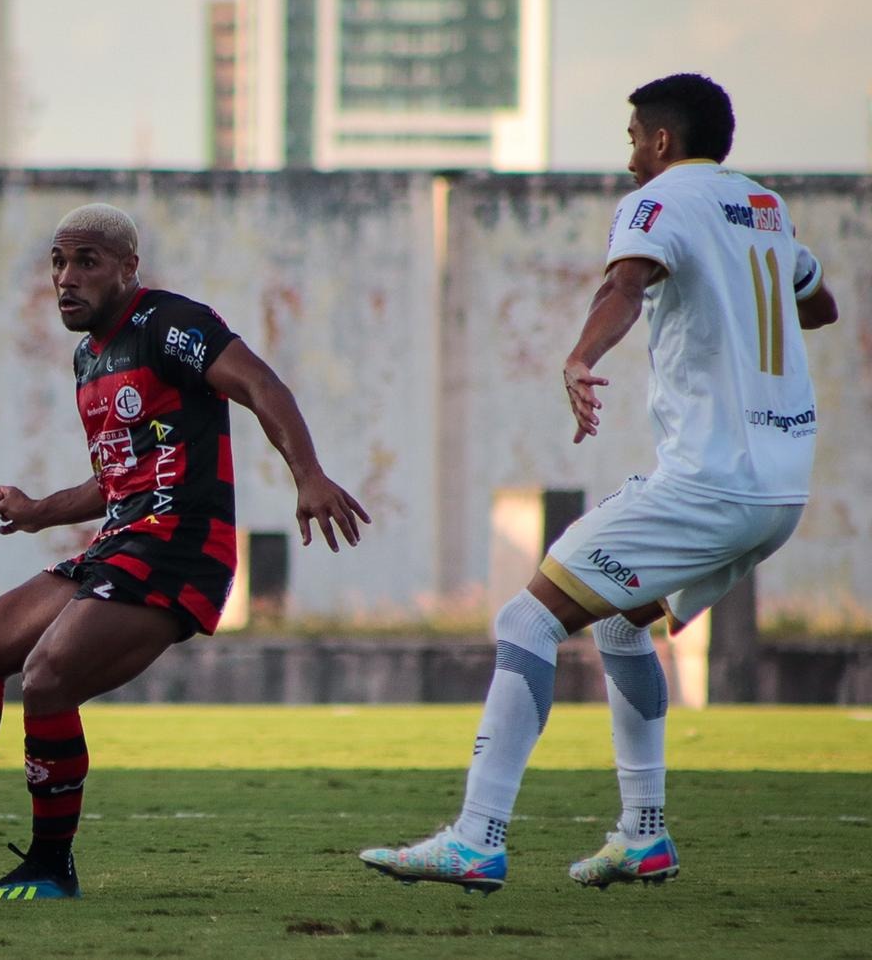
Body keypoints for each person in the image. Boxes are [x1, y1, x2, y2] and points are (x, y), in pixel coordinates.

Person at [358, 73, 839, 894]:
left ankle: (476, 838)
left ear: (660, 141)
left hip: (711, 486)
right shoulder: (764, 208)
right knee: (618, 626)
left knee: (526, 617)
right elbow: (818, 304)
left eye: (631, 141)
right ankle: (643, 835)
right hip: (779, 489)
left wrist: (581, 357)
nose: (627, 159)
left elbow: (625, 284)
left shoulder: (660, 202)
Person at [0, 202, 370, 901]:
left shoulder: (172, 325)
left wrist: (310, 475)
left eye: (86, 261)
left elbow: (262, 385)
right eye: (57, 261)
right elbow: (116, 479)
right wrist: (36, 512)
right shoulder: (87, 357)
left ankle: (53, 865)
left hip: (181, 549)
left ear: (127, 268)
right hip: (121, 540)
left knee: (48, 677)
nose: (66, 277)